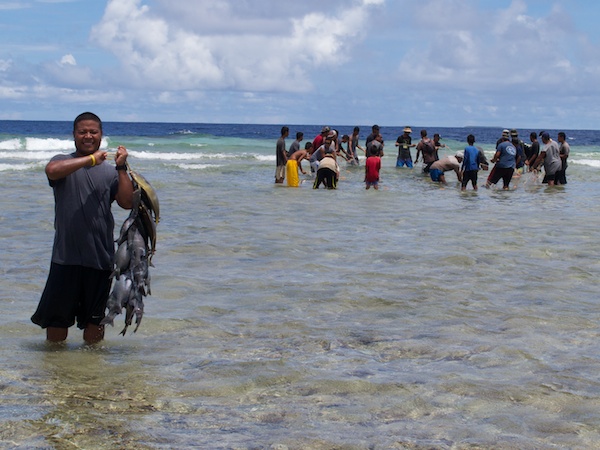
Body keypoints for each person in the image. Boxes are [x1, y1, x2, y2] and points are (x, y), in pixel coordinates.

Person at [31, 112, 135, 344]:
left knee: (95, 323)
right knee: (56, 322)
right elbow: (52, 171)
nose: (88, 136)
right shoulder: (62, 161)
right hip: (65, 258)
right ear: (74, 135)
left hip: (100, 259)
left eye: (93, 132)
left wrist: (121, 167)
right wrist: (90, 160)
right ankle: (55, 373)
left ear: (101, 135)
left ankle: (90, 374)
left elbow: (127, 203)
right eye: (82, 132)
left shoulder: (110, 172)